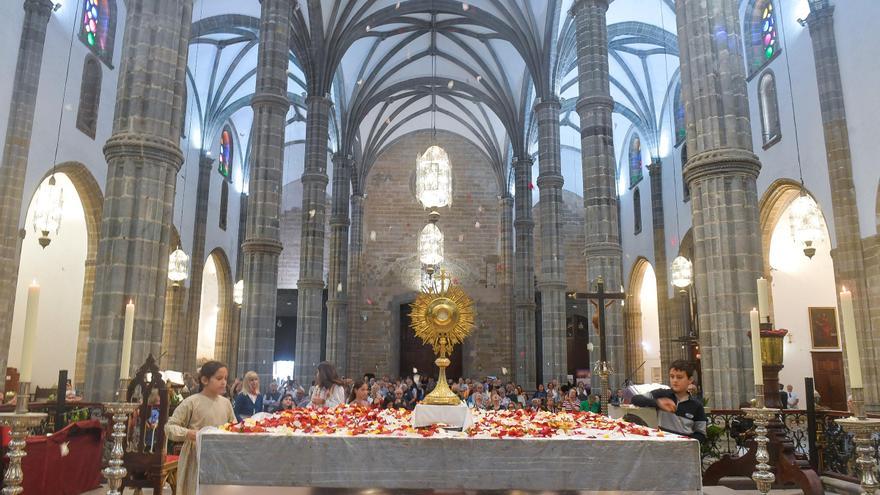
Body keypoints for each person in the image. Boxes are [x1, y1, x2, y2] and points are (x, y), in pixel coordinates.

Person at [165, 360, 236, 495]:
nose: (224, 382)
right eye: (219, 378)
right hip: (195, 455)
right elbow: (170, 427)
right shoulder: (192, 402)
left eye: (225, 379)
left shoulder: (226, 403)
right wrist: (190, 433)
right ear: (204, 380)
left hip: (220, 455)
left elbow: (233, 426)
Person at [631, 360, 707, 442]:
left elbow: (701, 434)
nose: (674, 380)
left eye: (679, 377)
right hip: (663, 445)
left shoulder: (696, 405)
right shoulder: (662, 394)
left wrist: (686, 441)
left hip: (684, 448)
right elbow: (635, 399)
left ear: (690, 380)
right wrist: (657, 403)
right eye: (672, 376)